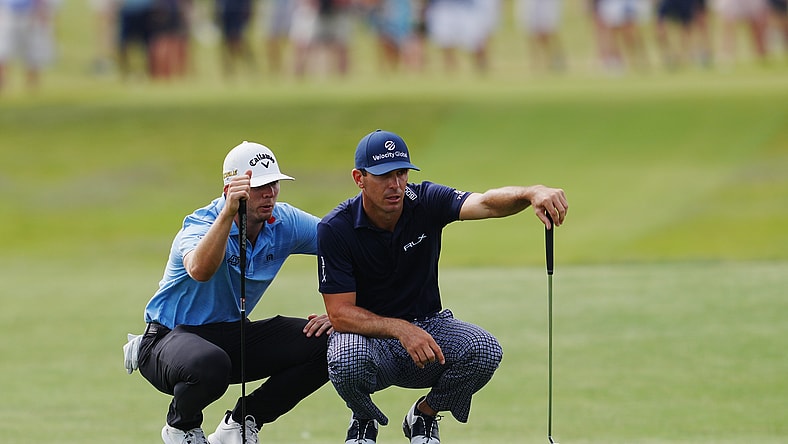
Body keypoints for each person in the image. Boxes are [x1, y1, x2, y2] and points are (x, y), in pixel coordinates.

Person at [317, 129, 568, 444]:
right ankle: (364, 419)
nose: (395, 185)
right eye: (383, 176)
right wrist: (400, 329)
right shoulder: (335, 228)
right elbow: (339, 314)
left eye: (401, 173)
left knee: (484, 350)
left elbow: (486, 203)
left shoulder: (424, 200)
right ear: (359, 178)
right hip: (370, 341)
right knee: (344, 357)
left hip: (429, 326)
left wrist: (531, 192)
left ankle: (424, 416)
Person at [125, 141, 332, 444]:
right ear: (230, 190)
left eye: (273, 183)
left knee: (329, 344)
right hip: (167, 341)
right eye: (259, 186)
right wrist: (228, 214)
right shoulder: (200, 224)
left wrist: (343, 314)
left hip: (229, 339)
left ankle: (241, 423)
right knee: (210, 364)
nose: (269, 193)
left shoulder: (284, 222)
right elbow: (200, 269)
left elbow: (344, 246)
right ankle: (182, 428)